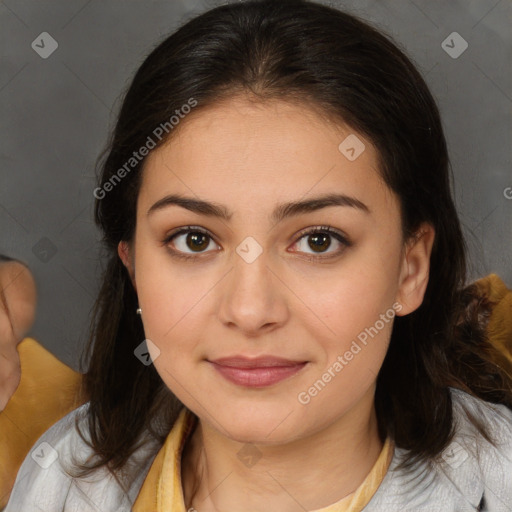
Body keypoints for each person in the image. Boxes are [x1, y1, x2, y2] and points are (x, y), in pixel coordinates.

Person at [3, 1, 512, 510]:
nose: (250, 311)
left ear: (410, 268)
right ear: (132, 263)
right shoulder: (61, 479)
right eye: (194, 240)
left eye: (318, 240)